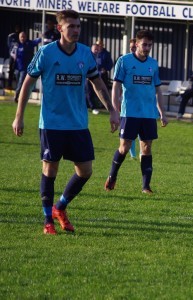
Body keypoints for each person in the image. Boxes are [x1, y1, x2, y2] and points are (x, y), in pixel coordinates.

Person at [12, 9, 119, 235]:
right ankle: (47, 221)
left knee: (86, 171)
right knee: (50, 170)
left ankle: (60, 207)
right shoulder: (47, 53)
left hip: (78, 123)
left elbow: (97, 84)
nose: (76, 30)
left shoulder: (84, 53)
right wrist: (19, 116)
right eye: (71, 26)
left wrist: (112, 110)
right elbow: (28, 84)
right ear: (60, 28)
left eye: (78, 26)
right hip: (51, 123)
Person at [105, 29, 168, 194]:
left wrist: (162, 112)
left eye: (149, 45)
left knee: (146, 148)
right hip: (129, 113)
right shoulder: (124, 61)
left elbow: (158, 90)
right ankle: (112, 176)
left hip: (148, 114)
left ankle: (146, 186)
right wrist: (115, 109)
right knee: (124, 147)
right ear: (136, 44)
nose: (147, 48)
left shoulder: (153, 64)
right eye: (144, 44)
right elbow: (116, 86)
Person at [13, 31, 41, 102]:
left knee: (20, 82)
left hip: (24, 68)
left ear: (26, 37)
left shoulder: (29, 44)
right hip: (17, 67)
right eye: (21, 37)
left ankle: (16, 96)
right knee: (18, 82)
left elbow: (36, 41)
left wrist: (41, 37)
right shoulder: (17, 45)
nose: (22, 38)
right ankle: (17, 95)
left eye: (23, 36)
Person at [127, 38, 139, 159]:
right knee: (131, 132)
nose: (132, 49)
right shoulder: (125, 61)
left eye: (134, 47)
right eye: (131, 47)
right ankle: (133, 154)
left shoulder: (148, 63)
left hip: (142, 102)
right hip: (129, 102)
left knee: (142, 131)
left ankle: (141, 152)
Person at [6, 24, 21, 89]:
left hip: (19, 57)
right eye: (16, 27)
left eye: (18, 27)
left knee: (18, 71)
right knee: (11, 71)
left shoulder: (21, 35)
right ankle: (9, 85)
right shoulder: (11, 36)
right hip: (12, 56)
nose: (17, 29)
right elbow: (9, 46)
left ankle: (18, 86)